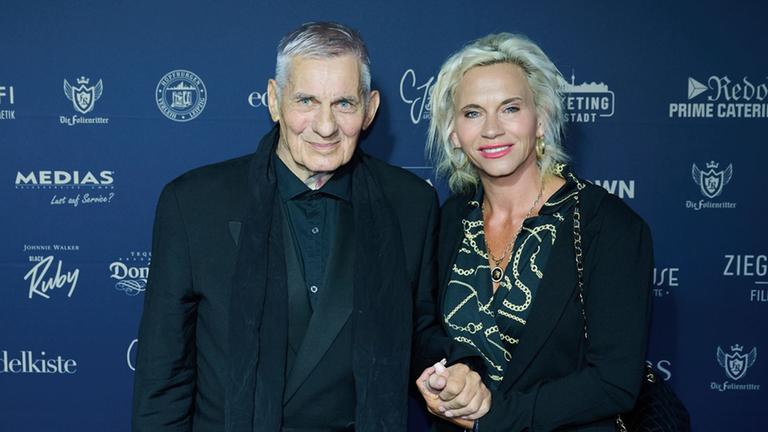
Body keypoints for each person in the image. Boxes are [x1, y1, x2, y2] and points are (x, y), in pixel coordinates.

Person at [132, 21, 488, 432]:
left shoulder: (410, 203)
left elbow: (416, 330)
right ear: (274, 100)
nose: (325, 126)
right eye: (306, 101)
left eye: (344, 104)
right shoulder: (193, 203)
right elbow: (164, 377)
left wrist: (453, 369)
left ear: (369, 109)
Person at [415, 33, 653, 431]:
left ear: (540, 119)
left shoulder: (608, 226)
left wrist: (493, 418)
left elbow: (614, 382)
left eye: (510, 108)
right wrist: (444, 379)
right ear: (453, 132)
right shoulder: (449, 219)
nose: (492, 129)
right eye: (472, 113)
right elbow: (427, 333)